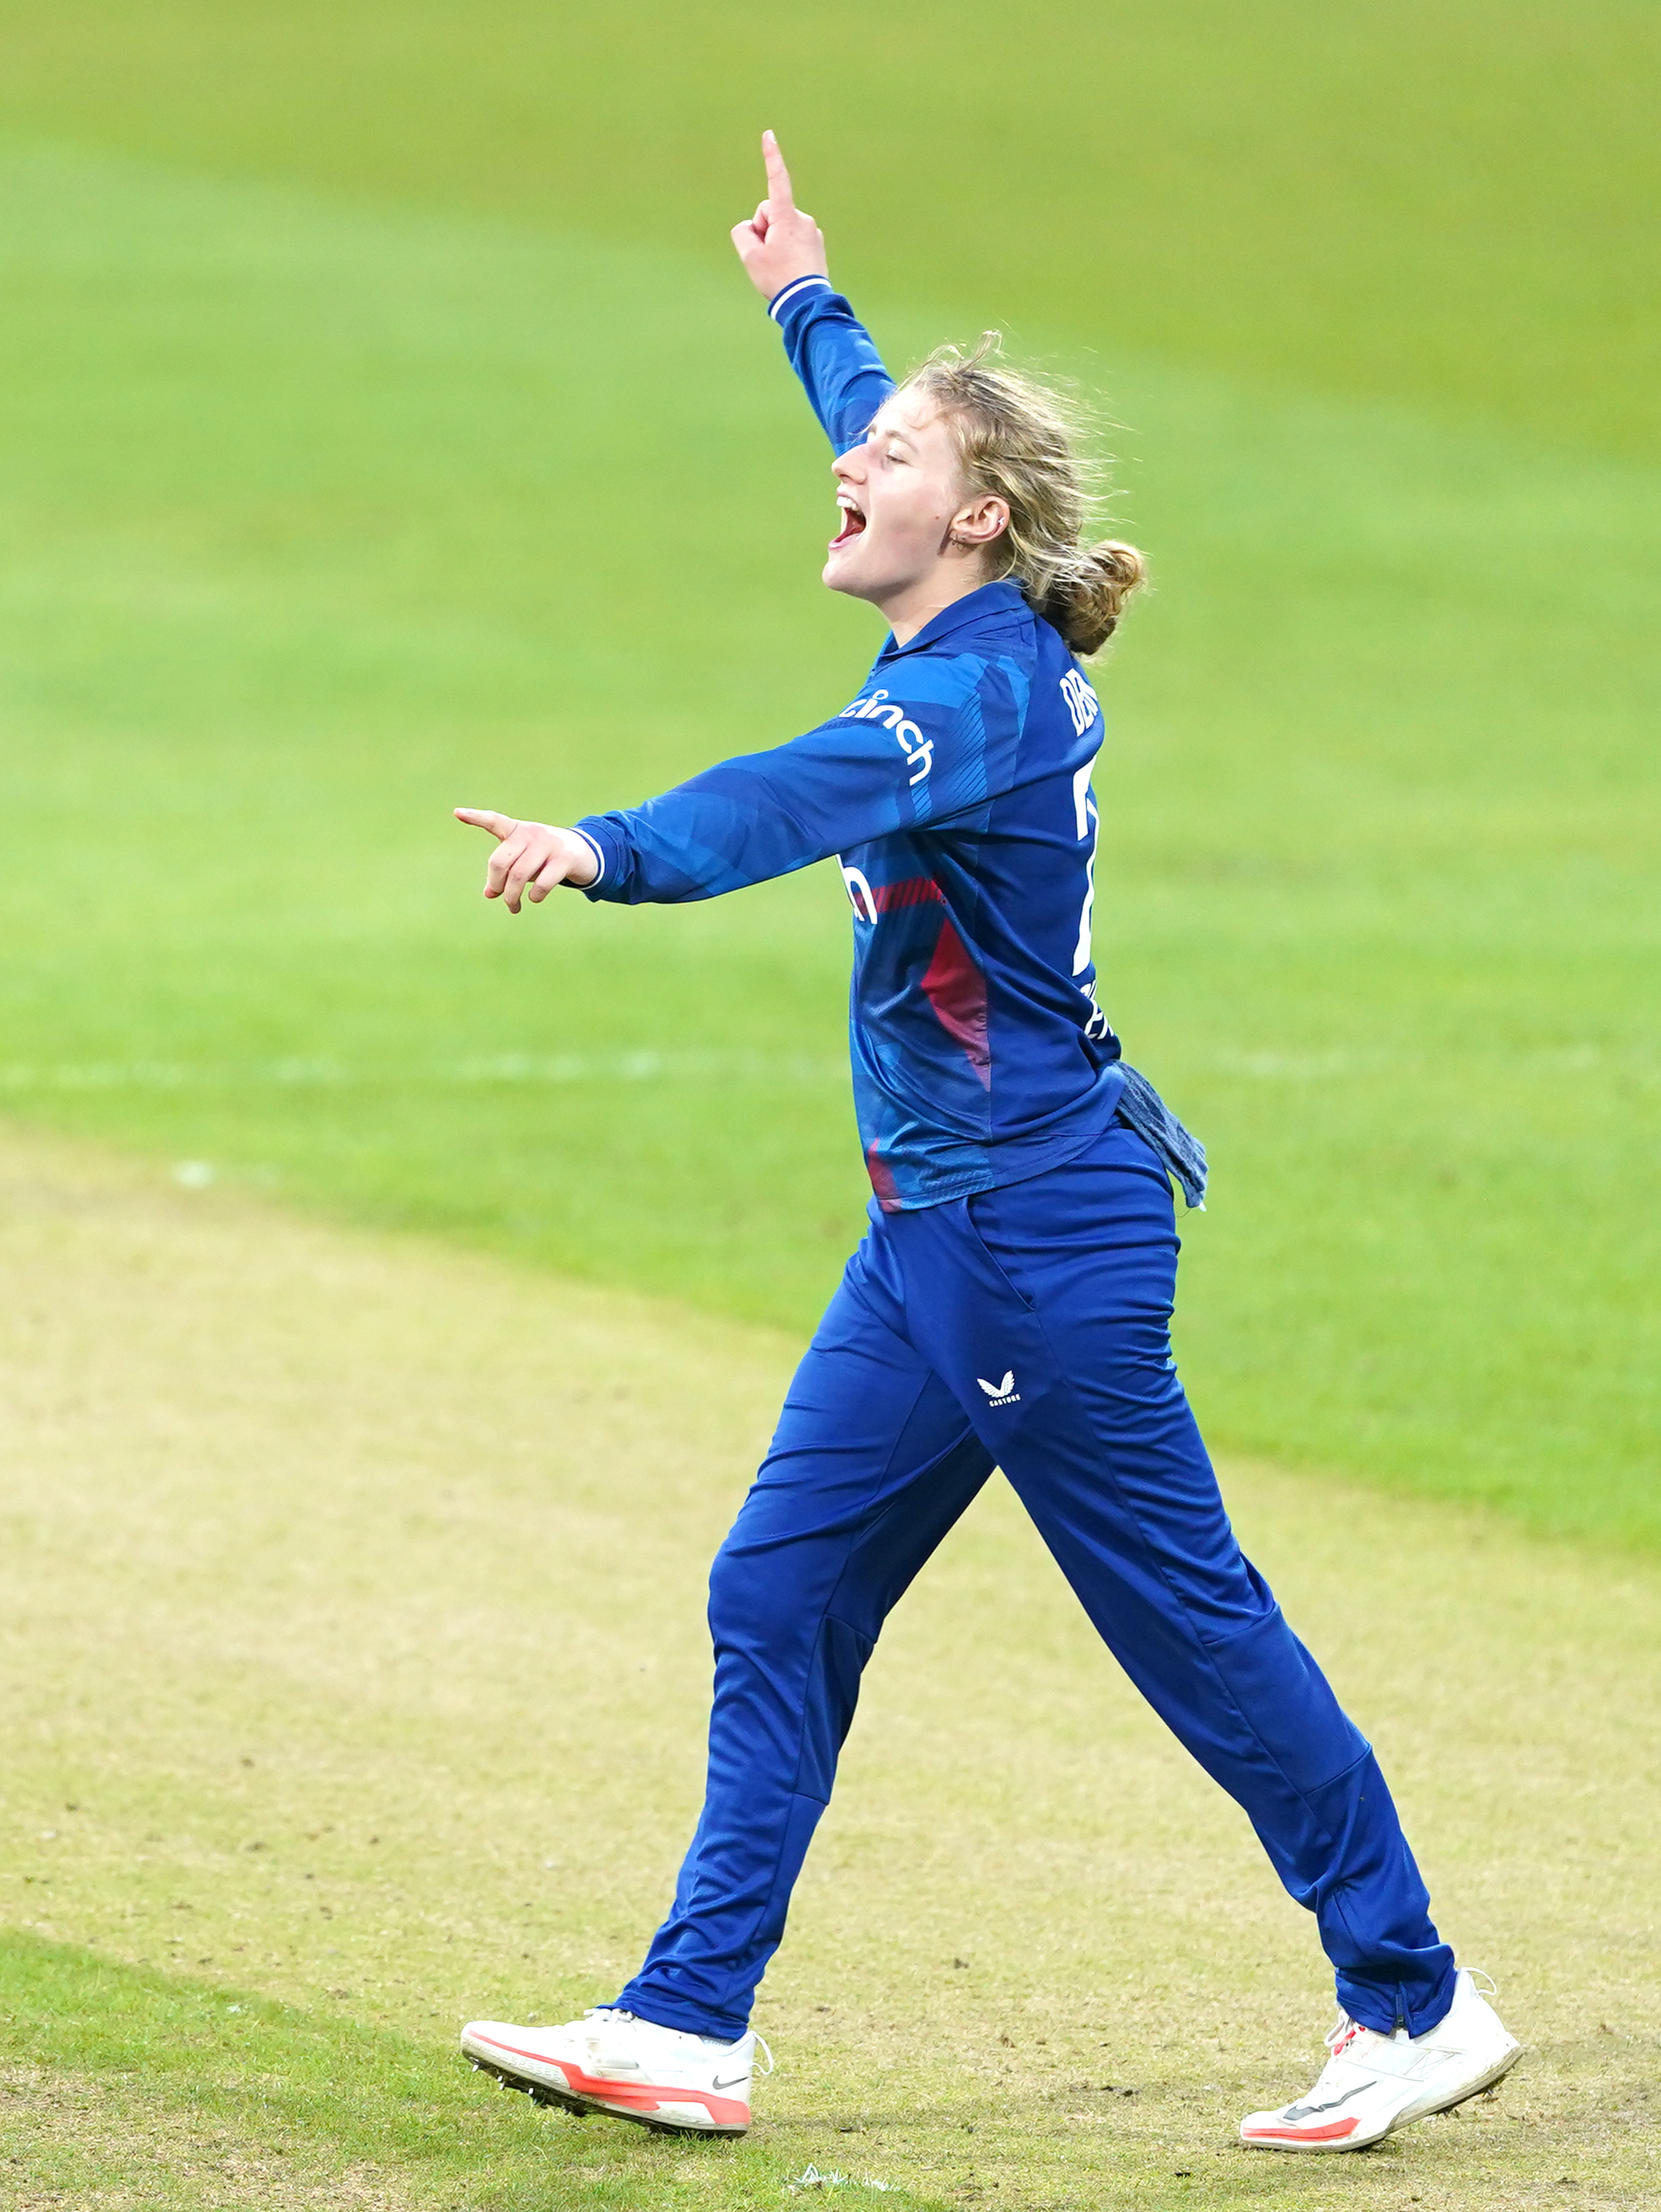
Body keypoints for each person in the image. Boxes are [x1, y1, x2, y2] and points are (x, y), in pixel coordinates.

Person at [450, 133, 1520, 2158]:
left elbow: (793, 795)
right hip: (943, 1232)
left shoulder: (971, 700)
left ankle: (1412, 1996)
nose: (849, 467)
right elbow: (873, 421)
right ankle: (686, 2021)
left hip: (1034, 1233)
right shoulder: (955, 601)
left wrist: (609, 847)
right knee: (780, 1591)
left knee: (1182, 1621)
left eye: (892, 460)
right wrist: (802, 299)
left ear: (979, 517)